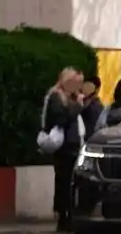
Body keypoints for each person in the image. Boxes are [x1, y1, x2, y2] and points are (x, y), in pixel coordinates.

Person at [42, 69, 85, 232]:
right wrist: (77, 107)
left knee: (70, 184)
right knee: (63, 183)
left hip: (74, 145)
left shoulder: (71, 97)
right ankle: (63, 216)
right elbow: (62, 118)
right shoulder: (56, 96)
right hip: (64, 147)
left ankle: (69, 215)